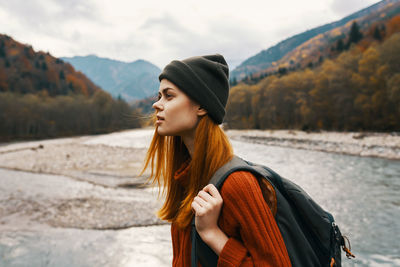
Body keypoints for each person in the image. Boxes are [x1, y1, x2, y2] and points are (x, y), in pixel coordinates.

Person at [142, 54, 291, 266]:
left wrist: (213, 234)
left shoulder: (238, 184)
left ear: (201, 106)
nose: (157, 104)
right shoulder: (186, 177)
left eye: (169, 96)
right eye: (159, 96)